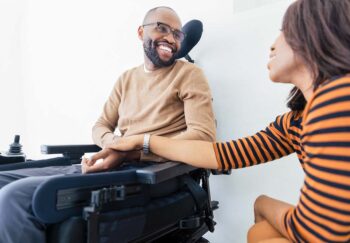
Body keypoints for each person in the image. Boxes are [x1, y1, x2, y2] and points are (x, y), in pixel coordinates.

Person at [99, 0, 350, 242]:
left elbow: (322, 233)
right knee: (259, 234)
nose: (272, 45)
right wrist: (138, 143)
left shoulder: (337, 98)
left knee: (262, 230)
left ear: (314, 34)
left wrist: (263, 205)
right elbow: (224, 155)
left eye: (283, 32)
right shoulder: (294, 122)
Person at [0, 6, 216, 243]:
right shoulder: (126, 79)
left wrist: (131, 151)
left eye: (177, 34)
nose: (170, 38)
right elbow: (101, 126)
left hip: (147, 174)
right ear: (140, 32)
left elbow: (202, 137)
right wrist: (114, 145)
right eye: (161, 28)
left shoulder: (189, 74)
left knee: (13, 197)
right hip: (113, 162)